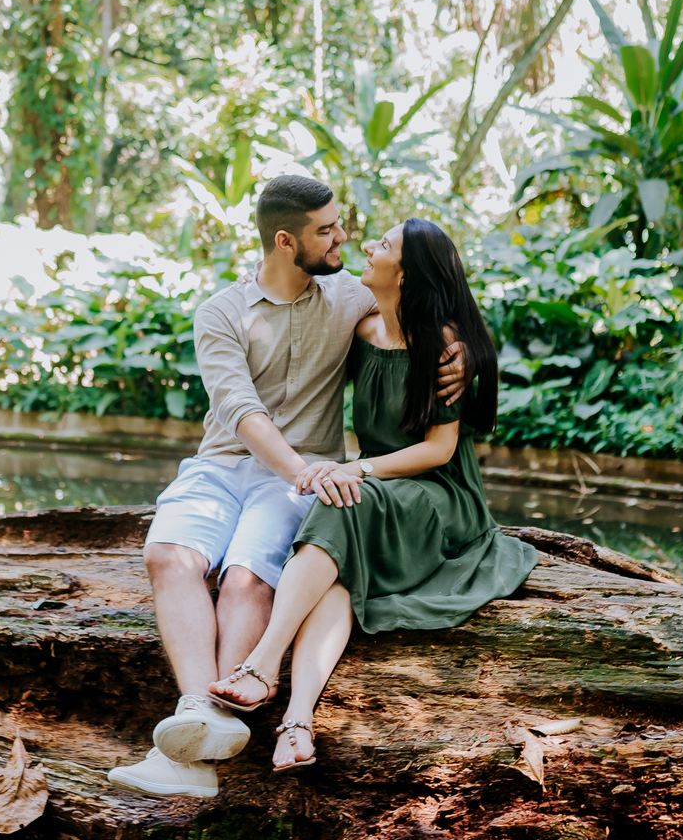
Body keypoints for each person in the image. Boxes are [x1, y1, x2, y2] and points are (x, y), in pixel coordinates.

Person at [107, 179, 465, 800]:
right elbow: (241, 411)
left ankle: (195, 749)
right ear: (284, 240)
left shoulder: (350, 296)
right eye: (326, 230)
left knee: (247, 577)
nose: (342, 237)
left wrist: (454, 345)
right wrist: (298, 468)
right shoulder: (222, 313)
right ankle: (200, 712)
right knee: (169, 556)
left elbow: (421, 300)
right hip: (223, 465)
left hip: (303, 476)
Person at [206, 218, 538, 772]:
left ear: (406, 276)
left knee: (342, 498)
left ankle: (262, 662)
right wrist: (351, 473)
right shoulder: (361, 333)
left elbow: (437, 450)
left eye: (382, 246)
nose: (366, 246)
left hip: (438, 495)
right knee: (338, 569)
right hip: (378, 488)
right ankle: (297, 722)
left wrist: (356, 470)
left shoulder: (443, 345)